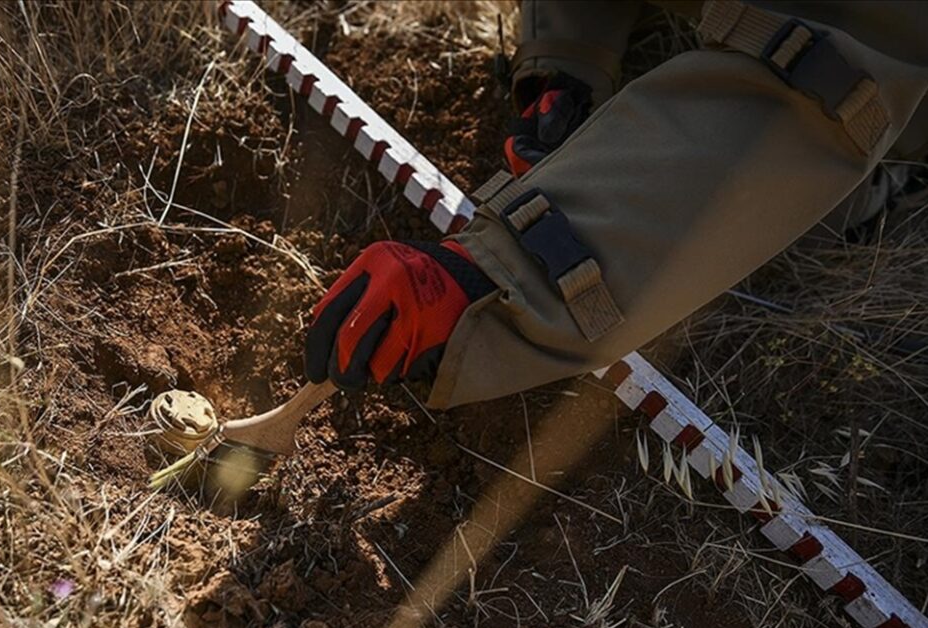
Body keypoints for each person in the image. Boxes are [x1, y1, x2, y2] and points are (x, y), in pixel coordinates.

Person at [303, 0, 928, 408]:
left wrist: (501, 271)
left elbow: (831, 72)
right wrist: (570, 60)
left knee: (818, 192)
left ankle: (873, 191)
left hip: (875, 45)